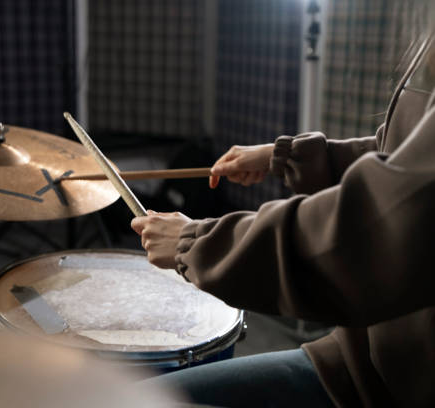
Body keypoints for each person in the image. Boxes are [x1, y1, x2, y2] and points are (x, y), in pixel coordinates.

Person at [131, 30, 435, 408]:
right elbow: (399, 161)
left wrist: (194, 242)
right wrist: (294, 158)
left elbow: (373, 228)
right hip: (361, 363)